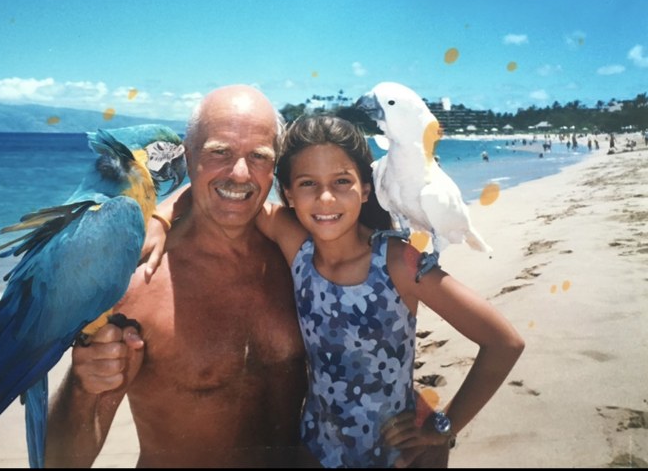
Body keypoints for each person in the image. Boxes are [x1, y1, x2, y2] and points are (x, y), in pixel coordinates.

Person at [152, 114, 525, 468]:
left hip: (393, 453)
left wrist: (444, 426)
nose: (325, 199)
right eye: (308, 183)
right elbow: (227, 193)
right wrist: (159, 217)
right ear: (289, 194)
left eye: (342, 181)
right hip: (316, 445)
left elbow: (503, 342)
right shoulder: (297, 245)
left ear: (366, 190)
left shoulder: (396, 261)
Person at [44, 85, 316, 467]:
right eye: (219, 152)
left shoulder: (300, 261)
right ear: (188, 157)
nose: (239, 173)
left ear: (276, 166)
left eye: (258, 156)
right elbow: (62, 463)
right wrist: (82, 387)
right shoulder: (141, 281)